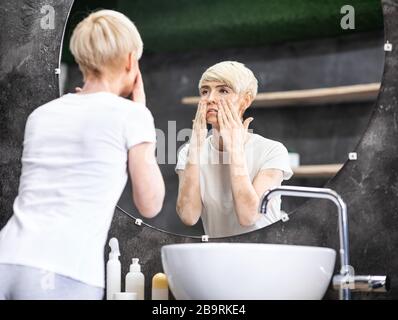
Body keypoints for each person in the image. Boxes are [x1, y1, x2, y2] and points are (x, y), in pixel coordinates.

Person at [0, 10, 165, 300]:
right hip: (64, 269)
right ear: (130, 60)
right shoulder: (131, 115)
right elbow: (150, 204)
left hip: (8, 257)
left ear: (82, 59)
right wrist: (141, 118)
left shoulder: (42, 114)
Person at [176, 61, 293, 238]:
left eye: (223, 90)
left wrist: (235, 150)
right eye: (205, 91)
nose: (210, 99)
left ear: (246, 100)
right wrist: (194, 151)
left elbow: (249, 216)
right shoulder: (188, 153)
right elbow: (189, 216)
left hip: (265, 257)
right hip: (220, 258)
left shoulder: (272, 151)